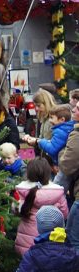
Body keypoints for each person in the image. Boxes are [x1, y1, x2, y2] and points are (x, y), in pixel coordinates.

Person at [14, 158, 68, 256]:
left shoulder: (22, 191)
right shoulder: (57, 193)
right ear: (48, 172)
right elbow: (64, 215)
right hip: (50, 240)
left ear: (29, 173)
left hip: (26, 243)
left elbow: (16, 211)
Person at [59, 101, 79, 248]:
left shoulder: (77, 135)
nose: (74, 109)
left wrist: (60, 154)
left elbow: (67, 165)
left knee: (73, 239)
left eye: (78, 108)